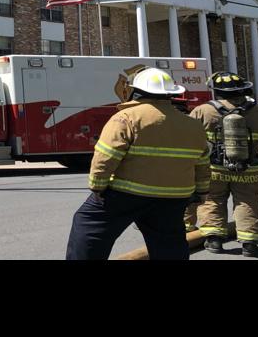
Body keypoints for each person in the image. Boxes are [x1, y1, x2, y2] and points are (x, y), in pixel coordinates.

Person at [66, 66, 210, 261]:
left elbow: (106, 157)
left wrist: (98, 186)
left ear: (135, 92)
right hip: (175, 197)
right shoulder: (193, 125)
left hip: (126, 194)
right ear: (170, 94)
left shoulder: (126, 118)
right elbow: (202, 163)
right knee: (169, 242)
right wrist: (201, 193)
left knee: (88, 224)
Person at [188, 72, 258, 257]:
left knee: (212, 200)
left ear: (217, 91)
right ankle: (249, 243)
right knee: (248, 202)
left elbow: (191, 140)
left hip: (214, 169)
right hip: (250, 169)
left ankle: (214, 239)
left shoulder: (203, 111)